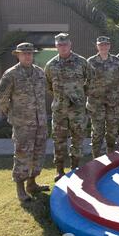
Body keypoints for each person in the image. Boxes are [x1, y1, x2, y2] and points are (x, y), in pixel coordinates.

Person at [0, 43, 49, 201]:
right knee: (22, 154)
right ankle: (20, 188)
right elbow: (2, 97)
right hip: (22, 124)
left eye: (30, 53)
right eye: (24, 53)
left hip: (40, 122)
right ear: (18, 55)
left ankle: (32, 184)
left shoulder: (39, 73)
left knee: (38, 153)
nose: (27, 56)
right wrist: (12, 115)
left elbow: (43, 94)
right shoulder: (11, 74)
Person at [45, 33, 92, 181]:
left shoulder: (81, 62)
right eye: (60, 44)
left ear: (70, 45)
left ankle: (75, 169)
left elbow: (91, 79)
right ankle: (59, 171)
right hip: (59, 110)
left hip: (77, 110)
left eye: (65, 44)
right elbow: (48, 85)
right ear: (56, 46)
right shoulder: (50, 65)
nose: (63, 47)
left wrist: (80, 95)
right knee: (59, 140)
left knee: (77, 139)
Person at [87, 36, 119, 157]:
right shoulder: (90, 62)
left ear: (109, 46)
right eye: (101, 45)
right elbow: (84, 81)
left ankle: (111, 157)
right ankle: (96, 159)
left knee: (112, 131)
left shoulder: (116, 61)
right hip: (96, 103)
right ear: (97, 46)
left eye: (105, 44)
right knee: (97, 132)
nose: (103, 47)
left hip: (113, 103)